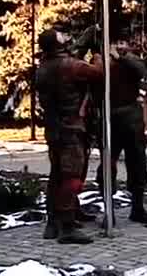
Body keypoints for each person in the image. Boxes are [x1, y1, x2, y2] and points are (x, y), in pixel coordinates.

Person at [36, 28, 104, 244]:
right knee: (72, 176)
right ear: (57, 44)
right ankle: (67, 228)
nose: (66, 36)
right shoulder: (70, 66)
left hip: (53, 128)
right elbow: (98, 73)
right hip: (71, 128)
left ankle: (52, 223)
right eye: (62, 36)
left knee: (56, 175)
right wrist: (98, 57)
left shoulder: (44, 67)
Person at [100, 37, 147, 225]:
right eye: (116, 42)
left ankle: (137, 207)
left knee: (137, 163)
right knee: (107, 165)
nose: (120, 46)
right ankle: (108, 210)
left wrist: (121, 57)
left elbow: (142, 70)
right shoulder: (100, 61)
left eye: (123, 43)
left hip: (131, 118)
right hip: (109, 118)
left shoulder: (131, 61)